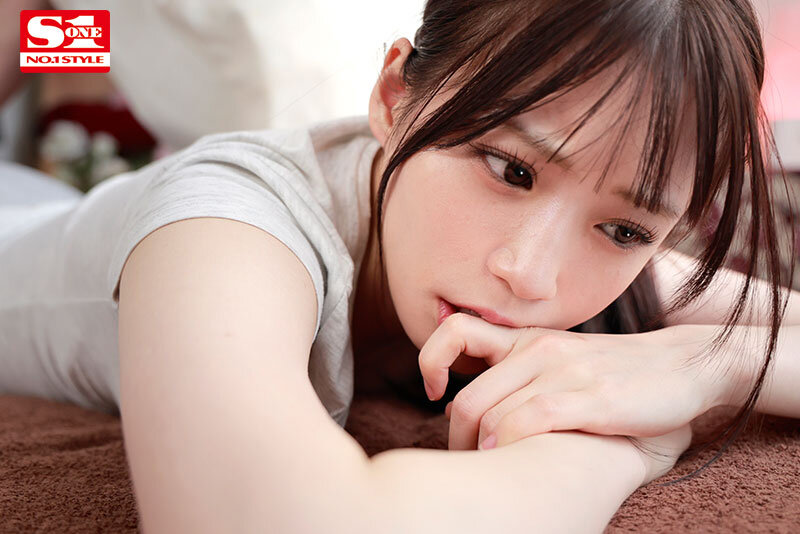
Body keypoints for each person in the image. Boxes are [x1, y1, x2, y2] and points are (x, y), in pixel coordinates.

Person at [1, 0, 798, 532]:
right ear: (394, 97)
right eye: (511, 170)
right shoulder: (229, 226)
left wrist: (707, 363)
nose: (530, 275)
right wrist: (623, 448)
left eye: (624, 228)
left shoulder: (591, 254)